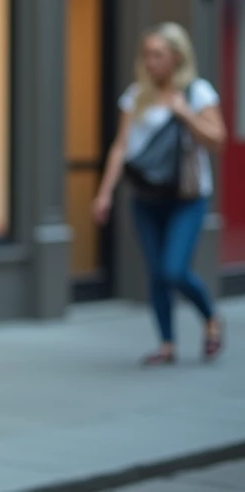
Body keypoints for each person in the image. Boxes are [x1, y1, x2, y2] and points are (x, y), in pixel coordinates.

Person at [93, 22, 227, 365]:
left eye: (158, 55)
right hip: (147, 197)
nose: (150, 62)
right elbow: (121, 146)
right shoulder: (137, 94)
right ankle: (167, 344)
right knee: (156, 272)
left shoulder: (198, 93)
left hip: (187, 198)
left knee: (174, 270)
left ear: (177, 57)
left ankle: (211, 317)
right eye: (147, 55)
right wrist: (105, 193)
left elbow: (217, 140)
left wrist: (185, 115)